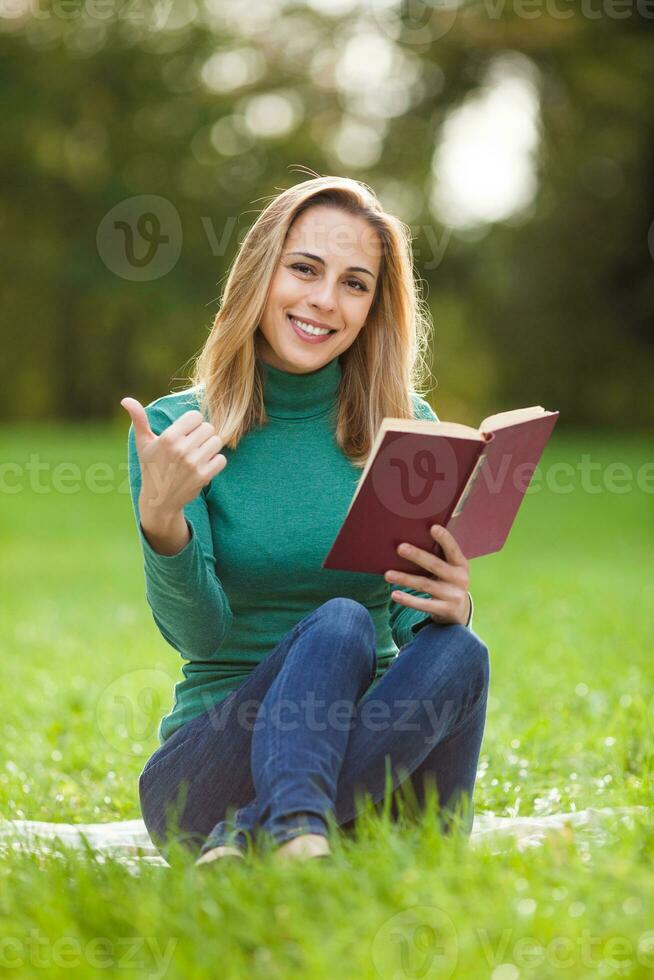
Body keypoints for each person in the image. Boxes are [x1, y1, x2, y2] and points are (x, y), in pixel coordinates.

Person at [121, 174, 489, 867]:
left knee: (464, 649)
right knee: (343, 619)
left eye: (355, 283)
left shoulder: (408, 432)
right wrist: (163, 521)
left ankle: (271, 837)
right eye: (305, 269)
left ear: (375, 305)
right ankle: (285, 826)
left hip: (375, 771)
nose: (325, 301)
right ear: (262, 273)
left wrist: (451, 603)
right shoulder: (179, 432)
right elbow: (200, 636)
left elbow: (418, 640)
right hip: (210, 779)